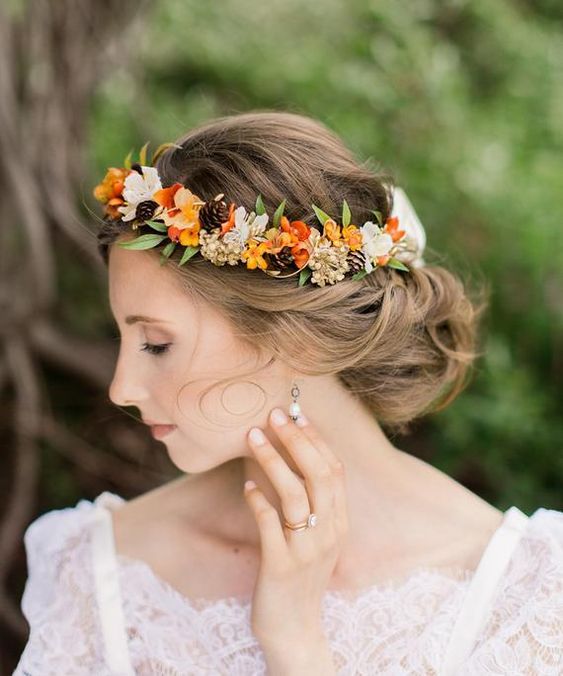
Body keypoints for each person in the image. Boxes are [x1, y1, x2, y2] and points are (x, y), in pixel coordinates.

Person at [14, 111, 563, 675]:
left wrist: (295, 643)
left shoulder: (530, 598)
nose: (121, 389)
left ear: (295, 337)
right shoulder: (97, 567)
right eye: (123, 338)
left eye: (156, 344)